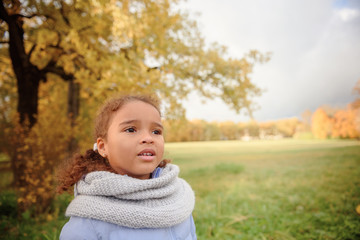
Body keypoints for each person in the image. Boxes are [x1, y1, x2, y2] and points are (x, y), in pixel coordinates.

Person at [57, 95, 196, 240]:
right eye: (131, 130)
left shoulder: (177, 196)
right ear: (103, 146)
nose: (148, 138)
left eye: (156, 131)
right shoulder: (90, 219)